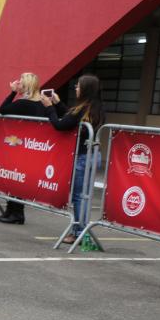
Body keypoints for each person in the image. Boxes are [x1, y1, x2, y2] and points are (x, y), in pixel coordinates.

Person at [42, 74, 105, 244]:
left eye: (78, 86)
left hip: (84, 157)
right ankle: (80, 230)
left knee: (79, 196)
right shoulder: (94, 107)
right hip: (94, 155)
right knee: (84, 196)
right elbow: (71, 118)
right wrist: (57, 103)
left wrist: (49, 108)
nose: (75, 88)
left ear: (85, 89)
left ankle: (78, 232)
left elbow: (61, 125)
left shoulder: (85, 108)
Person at [0, 72, 51, 225]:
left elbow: (2, 111)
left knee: (15, 178)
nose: (17, 83)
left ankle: (15, 212)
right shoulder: (42, 103)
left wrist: (12, 92)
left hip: (20, 145)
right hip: (33, 146)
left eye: (20, 83)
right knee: (19, 178)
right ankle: (13, 211)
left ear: (24, 86)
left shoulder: (23, 103)